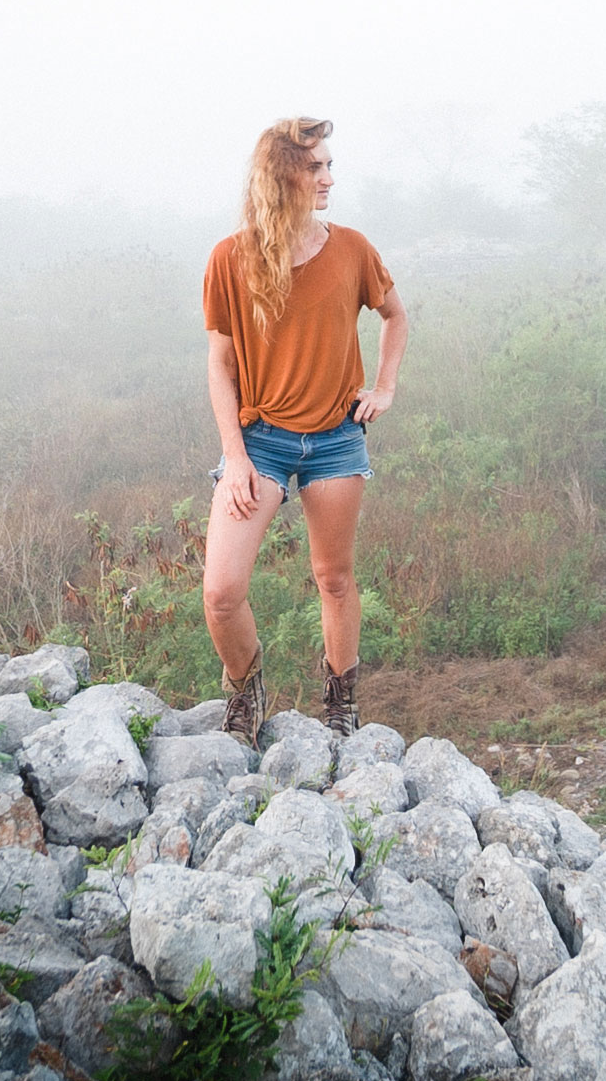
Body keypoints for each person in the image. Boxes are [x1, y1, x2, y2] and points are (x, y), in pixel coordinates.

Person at [200, 118, 408, 744]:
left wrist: (384, 388)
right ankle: (245, 688)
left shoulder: (351, 249)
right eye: (315, 167)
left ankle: (341, 702)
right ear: (281, 174)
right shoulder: (230, 259)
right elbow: (221, 363)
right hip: (258, 437)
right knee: (221, 592)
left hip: (336, 437)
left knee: (334, 577)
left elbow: (395, 316)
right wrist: (234, 459)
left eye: (328, 165)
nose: (328, 178)